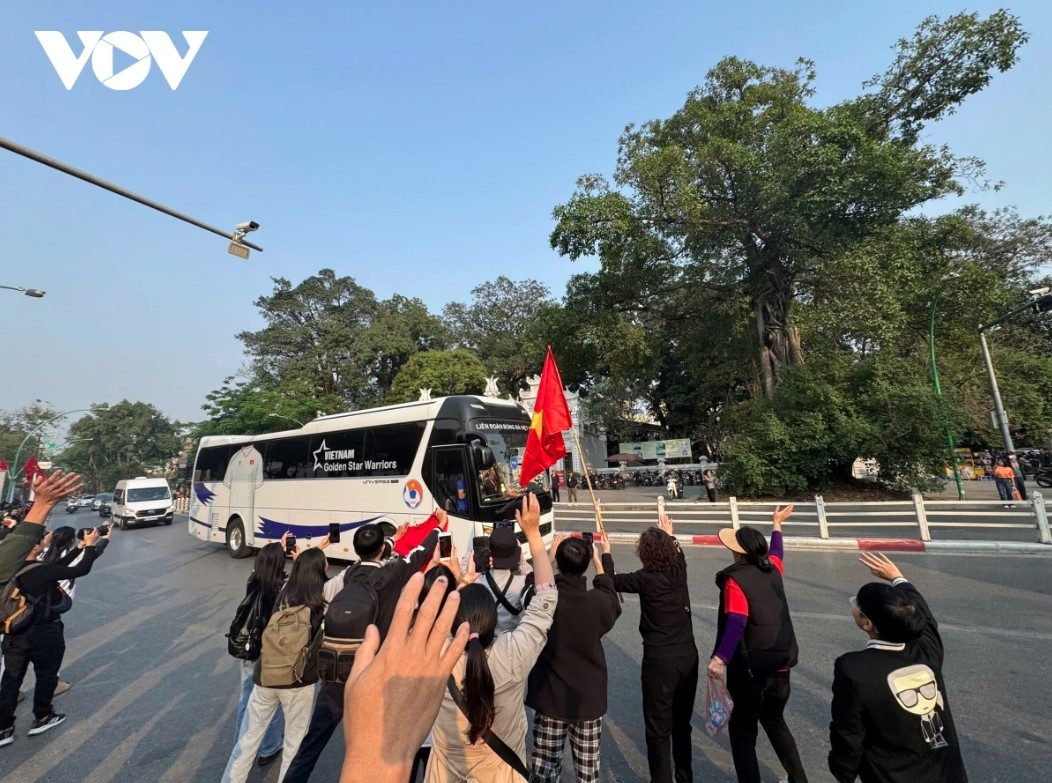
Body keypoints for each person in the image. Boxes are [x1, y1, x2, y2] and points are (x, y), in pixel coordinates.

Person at [284, 517, 443, 782]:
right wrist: (437, 527)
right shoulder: (391, 574)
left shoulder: (350, 573)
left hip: (338, 668)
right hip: (373, 671)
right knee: (370, 745)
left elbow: (374, 554)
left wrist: (393, 539)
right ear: (383, 549)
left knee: (312, 744)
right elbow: (420, 553)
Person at [425, 493, 559, 783]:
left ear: (452, 622)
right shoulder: (513, 655)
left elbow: (417, 610)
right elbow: (546, 596)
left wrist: (460, 578)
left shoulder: (433, 658)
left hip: (444, 770)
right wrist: (534, 534)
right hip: (502, 771)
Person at [829, 552, 968, 782]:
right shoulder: (927, 650)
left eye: (857, 605)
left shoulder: (854, 668)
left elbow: (848, 733)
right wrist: (898, 578)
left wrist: (844, 773)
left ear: (867, 623)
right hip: (947, 774)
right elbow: (925, 618)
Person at [708, 506, 808, 783]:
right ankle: (799, 779)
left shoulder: (735, 580)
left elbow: (736, 622)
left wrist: (720, 659)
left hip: (751, 671)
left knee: (743, 736)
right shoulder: (773, 568)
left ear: (738, 552)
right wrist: (777, 524)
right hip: (782, 666)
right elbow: (777, 552)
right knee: (775, 722)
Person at [339, 571, 469, 783]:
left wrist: (368, 753)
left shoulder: (400, 630)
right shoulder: (456, 635)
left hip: (405, 734)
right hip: (433, 734)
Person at [222, 548, 329, 783]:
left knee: (248, 741)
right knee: (294, 744)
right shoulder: (321, 601)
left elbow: (259, 576)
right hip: (298, 682)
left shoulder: (280, 591)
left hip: (266, 676)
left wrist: (296, 557)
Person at [526, 531, 621, 783]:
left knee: (545, 771)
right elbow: (612, 596)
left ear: (558, 561)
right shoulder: (598, 602)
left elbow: (530, 585)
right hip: (587, 701)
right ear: (587, 563)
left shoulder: (545, 600)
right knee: (588, 774)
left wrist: (548, 559)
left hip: (550, 697)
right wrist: (601, 563)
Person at [0, 525, 105, 746]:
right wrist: (91, 546)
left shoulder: (11, 568)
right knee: (47, 675)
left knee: (11, 679)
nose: (46, 541)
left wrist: (80, 547)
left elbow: (58, 566)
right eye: (43, 539)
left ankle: (3, 728)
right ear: (35, 545)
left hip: (13, 632)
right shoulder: (41, 570)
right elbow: (80, 570)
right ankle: (43, 716)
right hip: (43, 632)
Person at [612, 515, 698, 783]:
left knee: (658, 729)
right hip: (688, 656)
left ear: (643, 554)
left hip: (659, 660)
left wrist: (603, 555)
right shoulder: (679, 570)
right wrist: (669, 534)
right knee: (682, 725)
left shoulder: (642, 579)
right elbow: (679, 551)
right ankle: (685, 778)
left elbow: (608, 581)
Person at [230, 542, 287, 769]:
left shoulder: (253, 581)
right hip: (269, 654)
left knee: (246, 700)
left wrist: (275, 548)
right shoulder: (282, 587)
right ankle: (269, 746)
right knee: (269, 702)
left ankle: (241, 745)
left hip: (248, 650)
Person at [478, 526, 532, 635]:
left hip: (486, 641)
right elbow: (532, 578)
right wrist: (522, 560)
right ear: (515, 556)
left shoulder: (479, 582)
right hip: (511, 641)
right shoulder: (522, 583)